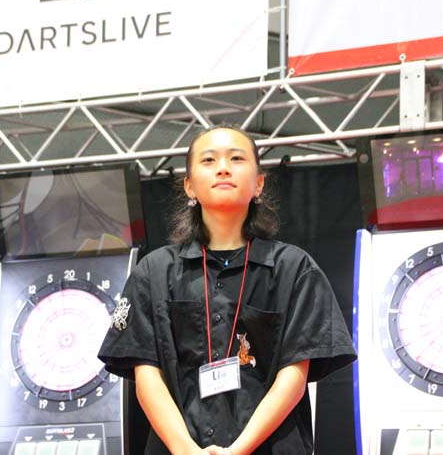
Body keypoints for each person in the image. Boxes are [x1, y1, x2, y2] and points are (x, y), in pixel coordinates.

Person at [98, 125, 356, 455]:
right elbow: (147, 377)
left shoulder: (294, 268)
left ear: (259, 183)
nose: (223, 168)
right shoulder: (154, 271)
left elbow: (294, 375)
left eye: (236, 158)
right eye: (209, 160)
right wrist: (186, 450)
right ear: (189, 186)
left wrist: (238, 450)